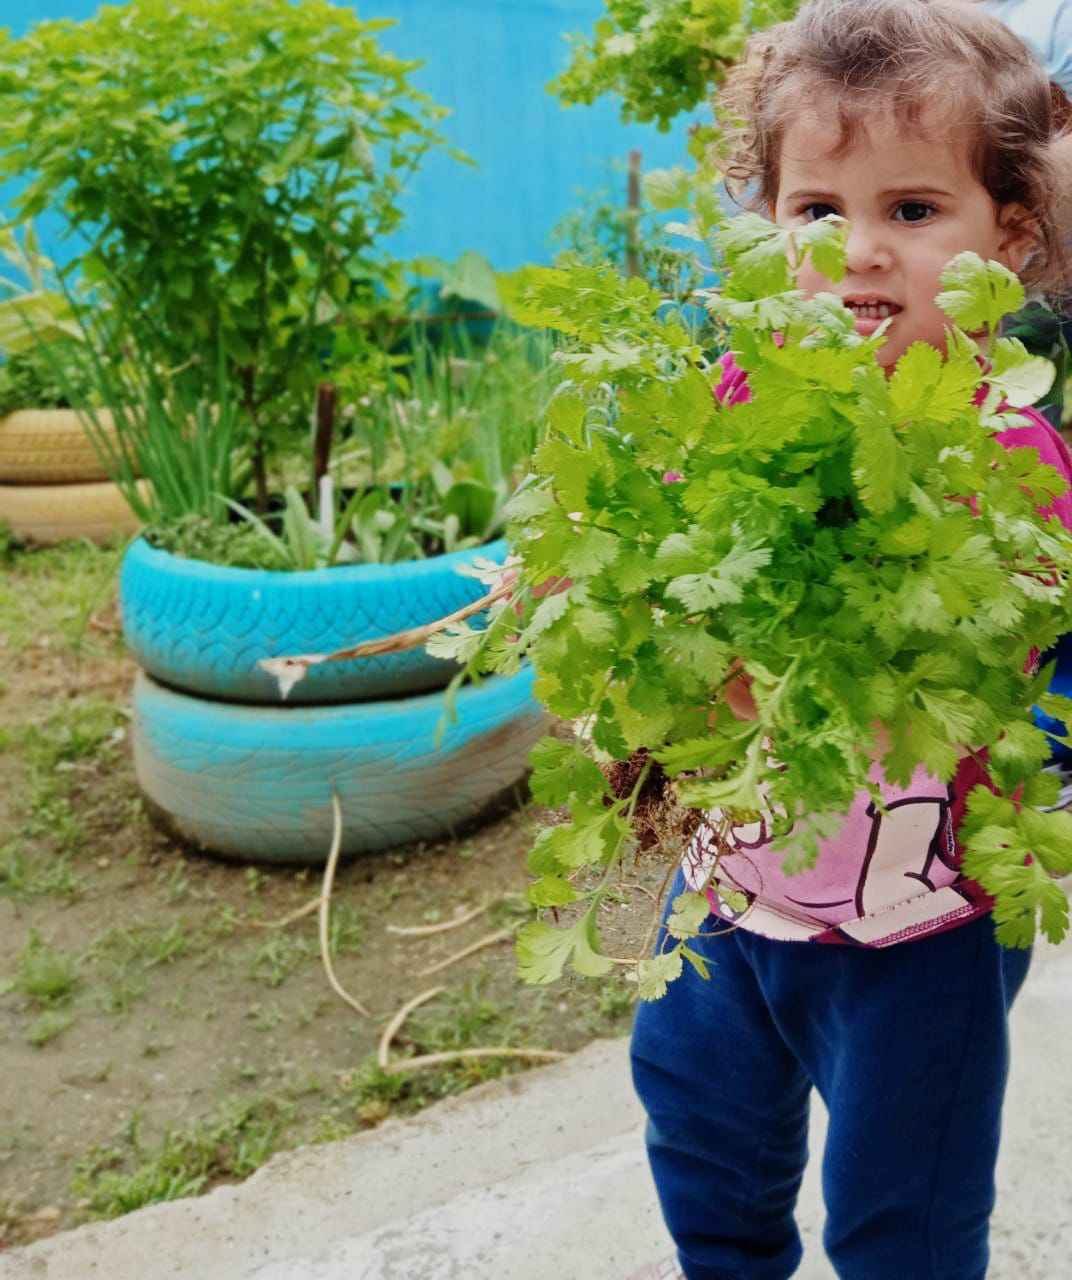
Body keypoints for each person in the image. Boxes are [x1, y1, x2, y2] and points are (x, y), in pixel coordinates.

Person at [626, 2, 1072, 1277]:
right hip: (722, 895)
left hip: (916, 935)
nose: (858, 253)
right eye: (817, 211)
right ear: (767, 224)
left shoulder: (1007, 459)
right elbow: (668, 591)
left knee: (904, 1220)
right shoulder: (728, 408)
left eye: (913, 212)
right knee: (704, 1154)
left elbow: (1033, 669)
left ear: (1012, 234)